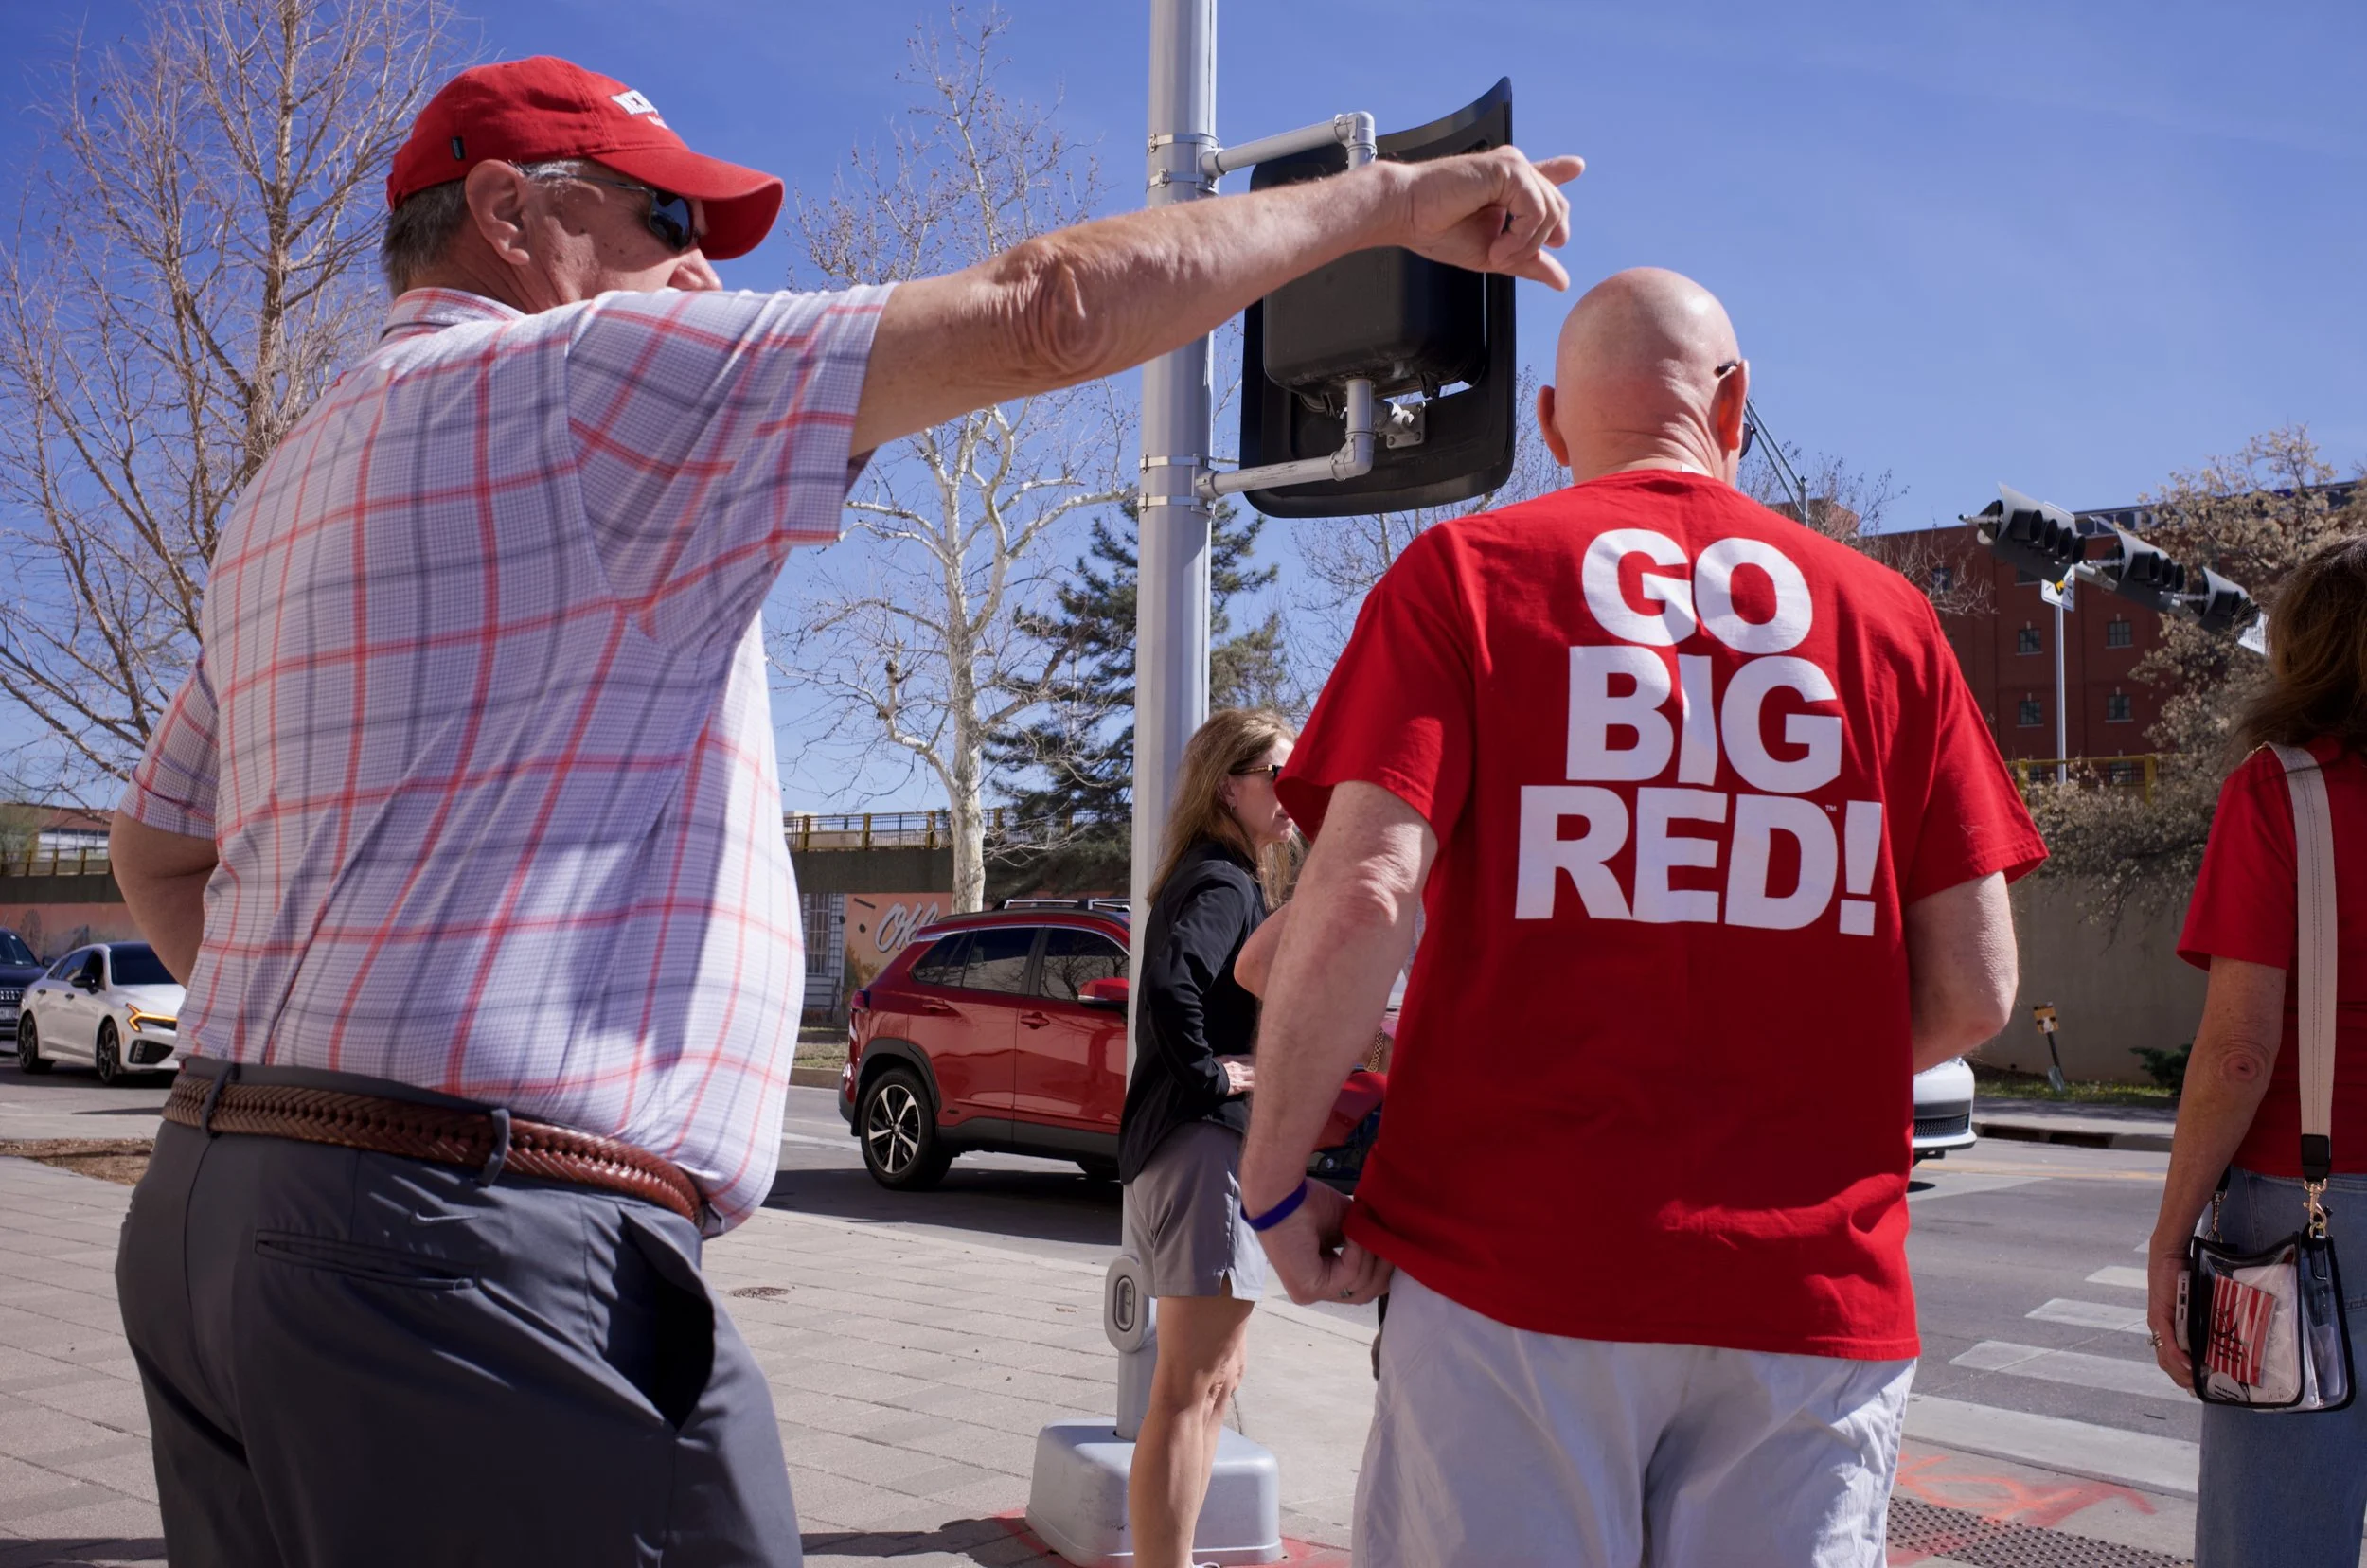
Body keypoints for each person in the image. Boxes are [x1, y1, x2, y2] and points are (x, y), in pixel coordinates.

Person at [100, 53, 1584, 1568]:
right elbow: (1040, 313)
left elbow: (156, 848)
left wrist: (317, 1087)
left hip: (228, 1209)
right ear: (507, 211)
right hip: (476, 1244)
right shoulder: (584, 379)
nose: (697, 264)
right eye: (663, 213)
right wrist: (1385, 205)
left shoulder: (288, 483)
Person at [1237, 267, 2043, 1567]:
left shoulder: (1466, 576)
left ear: (1552, 424)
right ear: (1735, 406)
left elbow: (1366, 891)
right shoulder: (1891, 624)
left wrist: (1274, 1186)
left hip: (1511, 1268)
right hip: (1809, 1296)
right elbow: (1977, 991)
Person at [2145, 536, 2367, 1567]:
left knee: (2275, 1541)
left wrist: (2169, 1237)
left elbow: (2239, 1049)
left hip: (2302, 1211)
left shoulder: (2282, 791)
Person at [1119, 708, 1297, 1568]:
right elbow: (1169, 982)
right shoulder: (1223, 882)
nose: (1294, 799)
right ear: (1230, 785)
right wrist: (1212, 1073)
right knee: (1190, 1390)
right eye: (1279, 780)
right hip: (1200, 1147)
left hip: (1198, 1150)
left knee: (1216, 1381)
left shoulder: (1216, 875)